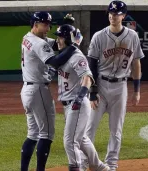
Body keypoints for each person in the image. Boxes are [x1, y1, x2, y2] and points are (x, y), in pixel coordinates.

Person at [80, 1, 144, 171]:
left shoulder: (132, 37)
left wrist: (136, 90)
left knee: (116, 130)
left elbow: (136, 64)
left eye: (116, 14)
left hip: (121, 87)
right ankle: (86, 162)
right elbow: (91, 64)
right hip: (100, 84)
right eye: (110, 13)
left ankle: (112, 164)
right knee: (89, 127)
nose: (112, 16)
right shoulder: (99, 36)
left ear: (123, 16)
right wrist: (92, 92)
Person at [20, 11, 79, 171]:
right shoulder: (38, 43)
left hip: (27, 90)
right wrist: (74, 46)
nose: (48, 27)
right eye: (45, 24)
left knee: (32, 134)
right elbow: (54, 61)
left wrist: (68, 27)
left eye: (49, 24)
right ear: (35, 24)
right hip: (38, 89)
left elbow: (58, 43)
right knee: (46, 134)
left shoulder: (29, 38)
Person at [54, 24, 110, 171]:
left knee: (70, 142)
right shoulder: (63, 55)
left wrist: (80, 97)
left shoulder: (77, 56)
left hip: (77, 103)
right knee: (82, 139)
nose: (57, 40)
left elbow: (87, 77)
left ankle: (76, 167)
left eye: (60, 37)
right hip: (68, 104)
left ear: (67, 39)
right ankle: (100, 167)